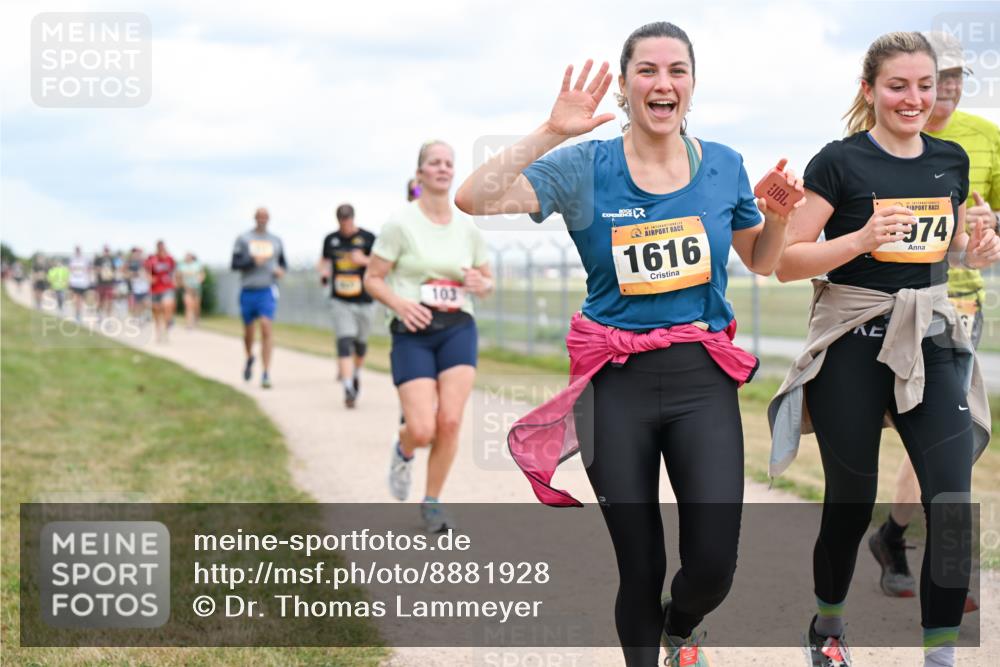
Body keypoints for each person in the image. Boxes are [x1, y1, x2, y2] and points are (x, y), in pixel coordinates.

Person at [455, 22, 797, 667]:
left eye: (676, 71)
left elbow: (761, 260)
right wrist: (553, 130)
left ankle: (682, 626)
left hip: (701, 379)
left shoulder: (724, 164)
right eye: (647, 71)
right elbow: (474, 197)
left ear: (692, 85)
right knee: (639, 565)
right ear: (623, 86)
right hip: (615, 384)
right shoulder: (585, 166)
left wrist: (776, 219)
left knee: (713, 567)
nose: (662, 83)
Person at [769, 32, 998, 667]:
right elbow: (786, 262)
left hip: (931, 338)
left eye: (926, 86)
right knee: (851, 500)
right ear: (869, 90)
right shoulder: (838, 162)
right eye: (899, 85)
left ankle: (939, 656)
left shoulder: (950, 160)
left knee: (952, 505)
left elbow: (939, 247)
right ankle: (829, 625)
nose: (915, 98)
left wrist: (971, 251)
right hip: (853, 341)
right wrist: (861, 239)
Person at [869, 31, 1000, 606]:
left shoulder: (984, 140)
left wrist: (989, 231)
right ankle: (904, 544)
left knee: (951, 440)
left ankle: (905, 542)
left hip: (960, 306)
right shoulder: (879, 138)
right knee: (931, 442)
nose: (940, 93)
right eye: (930, 81)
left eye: (951, 82)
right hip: (890, 310)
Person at [365, 140, 493, 534]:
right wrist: (401, 306)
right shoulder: (400, 223)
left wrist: (478, 281)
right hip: (413, 332)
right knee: (423, 428)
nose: (442, 168)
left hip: (457, 328)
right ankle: (403, 450)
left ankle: (432, 502)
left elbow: (487, 282)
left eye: (448, 163)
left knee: (451, 422)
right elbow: (372, 278)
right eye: (434, 163)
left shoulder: (467, 228)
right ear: (419, 173)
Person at [320, 204, 377, 408]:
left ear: (353, 218)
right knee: (344, 341)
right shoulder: (331, 240)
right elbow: (324, 261)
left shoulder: (368, 238)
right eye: (342, 220)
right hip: (340, 300)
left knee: (360, 345)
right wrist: (324, 273)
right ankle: (347, 387)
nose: (345, 223)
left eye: (348, 219)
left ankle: (355, 373)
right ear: (338, 220)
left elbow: (381, 264)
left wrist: (363, 260)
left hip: (364, 300)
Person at [231, 207, 286, 389]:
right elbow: (235, 263)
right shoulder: (244, 239)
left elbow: (283, 264)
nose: (262, 219)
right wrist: (252, 262)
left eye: (265, 217)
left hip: (267, 290)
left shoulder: (276, 240)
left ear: (269, 219)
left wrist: (281, 271)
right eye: (259, 216)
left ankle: (266, 372)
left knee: (265, 326)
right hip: (248, 290)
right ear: (255, 218)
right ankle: (249, 357)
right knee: (249, 332)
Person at [145, 241, 177, 343]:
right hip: (155, 289)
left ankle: (166, 331)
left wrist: (175, 280)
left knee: (167, 305)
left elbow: (175, 271)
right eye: (159, 248)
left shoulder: (170, 259)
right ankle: (158, 333)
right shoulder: (152, 260)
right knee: (156, 311)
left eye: (163, 248)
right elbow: (146, 271)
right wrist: (149, 278)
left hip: (167, 287)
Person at [177, 252, 206, 329]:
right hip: (187, 288)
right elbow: (179, 276)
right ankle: (188, 323)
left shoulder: (197, 265)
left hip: (196, 288)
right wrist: (182, 284)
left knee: (196, 306)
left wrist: (200, 279)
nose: (188, 258)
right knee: (188, 306)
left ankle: (196, 319)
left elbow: (202, 274)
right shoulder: (181, 266)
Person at [67, 246, 92, 322]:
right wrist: (69, 280)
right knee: (77, 298)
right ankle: (77, 314)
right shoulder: (72, 259)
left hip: (83, 283)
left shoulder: (85, 259)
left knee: (81, 299)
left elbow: (88, 270)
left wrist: (89, 280)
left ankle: (79, 313)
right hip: (75, 283)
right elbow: (70, 270)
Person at [126, 247, 151, 321]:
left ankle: (145, 315)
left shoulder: (146, 263)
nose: (138, 255)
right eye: (137, 253)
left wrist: (146, 275)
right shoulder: (131, 264)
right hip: (136, 287)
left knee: (146, 302)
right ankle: (137, 316)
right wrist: (136, 274)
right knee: (137, 304)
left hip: (145, 286)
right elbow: (127, 274)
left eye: (140, 253)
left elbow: (150, 273)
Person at [94, 245, 117, 320]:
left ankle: (108, 317)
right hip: (101, 283)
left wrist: (111, 274)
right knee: (101, 300)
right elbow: (96, 270)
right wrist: (101, 270)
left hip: (109, 283)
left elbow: (115, 270)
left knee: (110, 300)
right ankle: (99, 313)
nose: (106, 252)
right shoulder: (99, 259)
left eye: (107, 251)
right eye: (105, 251)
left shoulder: (112, 259)